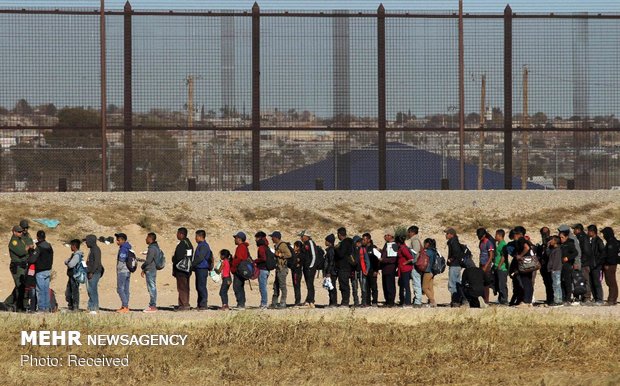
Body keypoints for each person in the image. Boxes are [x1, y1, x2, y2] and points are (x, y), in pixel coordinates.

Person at [5, 225, 31, 312]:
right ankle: (16, 305)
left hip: (22, 265)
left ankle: (8, 302)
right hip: (17, 266)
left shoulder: (21, 240)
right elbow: (20, 252)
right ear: (14, 232)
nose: (21, 233)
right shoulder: (14, 242)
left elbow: (26, 253)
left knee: (20, 286)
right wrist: (27, 248)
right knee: (20, 286)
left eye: (21, 231)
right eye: (19, 232)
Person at [31, 230, 53, 312]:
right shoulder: (49, 246)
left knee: (40, 290)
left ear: (37, 237)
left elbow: (32, 259)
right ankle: (47, 307)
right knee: (46, 289)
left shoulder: (39, 248)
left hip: (40, 271)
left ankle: (41, 308)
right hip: (48, 270)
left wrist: (31, 250)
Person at [172, 227, 194, 311]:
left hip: (181, 270)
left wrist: (174, 259)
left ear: (181, 234)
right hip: (187, 269)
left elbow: (179, 257)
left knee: (182, 287)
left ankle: (183, 305)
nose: (176, 235)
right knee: (185, 286)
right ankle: (184, 304)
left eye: (177, 233)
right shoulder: (189, 244)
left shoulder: (182, 244)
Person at [513, 227, 534, 308]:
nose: (514, 235)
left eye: (515, 234)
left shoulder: (521, 240)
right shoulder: (525, 240)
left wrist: (520, 256)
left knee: (525, 282)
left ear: (519, 234)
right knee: (528, 282)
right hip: (529, 263)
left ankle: (526, 301)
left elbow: (526, 248)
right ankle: (529, 301)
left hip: (525, 264)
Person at [572, 224, 593, 303]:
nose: (573, 231)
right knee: (579, 279)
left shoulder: (583, 238)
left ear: (578, 229)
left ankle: (587, 297)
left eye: (574, 229)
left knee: (585, 279)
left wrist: (582, 261)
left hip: (584, 263)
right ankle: (581, 296)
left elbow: (586, 251)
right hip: (582, 262)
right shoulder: (580, 237)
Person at [270, 231, 291, 309]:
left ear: (276, 237)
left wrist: (279, 255)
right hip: (278, 268)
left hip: (282, 269)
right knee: (276, 286)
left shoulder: (282, 245)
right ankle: (274, 303)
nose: (271, 238)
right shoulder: (277, 245)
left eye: (272, 237)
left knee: (282, 286)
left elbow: (289, 254)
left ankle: (283, 303)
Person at [193, 230, 213, 310]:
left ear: (200, 237)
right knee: (198, 287)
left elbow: (200, 257)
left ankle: (203, 304)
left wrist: (192, 264)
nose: (195, 238)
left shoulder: (204, 246)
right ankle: (200, 304)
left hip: (202, 269)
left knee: (201, 287)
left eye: (196, 236)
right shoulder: (200, 245)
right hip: (199, 268)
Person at [141, 232, 160, 313]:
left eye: (147, 237)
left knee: (151, 288)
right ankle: (152, 305)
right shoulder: (155, 247)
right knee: (152, 287)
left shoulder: (152, 248)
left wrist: (142, 267)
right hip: (152, 269)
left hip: (150, 270)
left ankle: (152, 306)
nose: (146, 239)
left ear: (150, 239)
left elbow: (148, 260)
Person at [299, 230, 319, 308]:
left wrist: (311, 266)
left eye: (302, 236)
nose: (301, 238)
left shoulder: (310, 243)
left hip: (310, 267)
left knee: (310, 284)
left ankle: (311, 301)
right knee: (308, 284)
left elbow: (314, 255)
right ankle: (308, 300)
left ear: (306, 236)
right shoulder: (305, 244)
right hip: (306, 267)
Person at [445, 228, 464, 307]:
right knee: (457, 283)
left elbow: (456, 253)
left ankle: (455, 301)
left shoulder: (453, 242)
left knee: (452, 284)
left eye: (447, 233)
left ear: (451, 234)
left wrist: (450, 259)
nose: (446, 235)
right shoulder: (454, 241)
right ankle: (458, 300)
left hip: (454, 265)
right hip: (457, 265)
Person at [84, 234, 103, 314]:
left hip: (95, 272)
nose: (86, 243)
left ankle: (94, 308)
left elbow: (97, 262)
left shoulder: (96, 250)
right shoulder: (92, 249)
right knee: (90, 289)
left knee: (92, 290)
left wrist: (91, 272)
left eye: (87, 241)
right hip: (91, 271)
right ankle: (91, 306)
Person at [586, 224, 605, 305]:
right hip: (591, 265)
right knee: (591, 282)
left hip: (596, 266)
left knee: (597, 282)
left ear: (593, 232)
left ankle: (600, 299)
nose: (587, 233)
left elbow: (603, 254)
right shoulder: (591, 240)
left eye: (589, 231)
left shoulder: (598, 241)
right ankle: (595, 298)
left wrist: (598, 263)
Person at [335, 227, 353, 307]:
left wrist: (336, 249)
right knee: (344, 284)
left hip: (343, 267)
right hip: (347, 266)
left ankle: (345, 302)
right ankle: (345, 301)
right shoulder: (350, 242)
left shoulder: (344, 243)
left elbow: (341, 254)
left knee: (344, 285)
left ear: (339, 234)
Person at [559, 229, 578, 305]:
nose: (561, 239)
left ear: (566, 237)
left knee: (567, 282)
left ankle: (568, 299)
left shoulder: (570, 243)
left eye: (562, 237)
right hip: (560, 265)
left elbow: (575, 253)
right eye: (560, 237)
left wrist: (568, 257)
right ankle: (563, 298)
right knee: (561, 282)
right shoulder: (560, 244)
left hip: (567, 265)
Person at [114, 232, 132, 313]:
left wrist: (118, 270)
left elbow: (121, 261)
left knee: (120, 289)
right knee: (126, 289)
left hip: (122, 271)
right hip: (128, 271)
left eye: (118, 240)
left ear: (122, 240)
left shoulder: (123, 249)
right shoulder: (128, 247)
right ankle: (125, 307)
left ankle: (125, 306)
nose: (117, 242)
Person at [231, 231, 250, 309]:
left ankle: (240, 304)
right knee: (240, 286)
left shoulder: (240, 247)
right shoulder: (244, 247)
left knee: (237, 286)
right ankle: (241, 303)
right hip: (242, 270)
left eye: (235, 238)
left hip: (239, 270)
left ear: (239, 239)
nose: (234, 240)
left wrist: (233, 265)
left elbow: (239, 258)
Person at [406, 226, 423, 307]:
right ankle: (417, 300)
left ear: (412, 232)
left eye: (408, 232)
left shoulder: (415, 240)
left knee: (416, 283)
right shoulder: (415, 240)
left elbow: (415, 253)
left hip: (415, 265)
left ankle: (418, 301)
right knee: (416, 282)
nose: (408, 234)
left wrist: (412, 261)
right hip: (416, 264)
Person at [477, 228, 495, 304]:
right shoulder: (481, 242)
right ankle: (483, 298)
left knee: (486, 283)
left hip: (486, 265)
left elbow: (491, 256)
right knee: (481, 282)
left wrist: (486, 266)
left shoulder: (489, 243)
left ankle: (486, 300)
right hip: (481, 264)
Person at [379, 230, 398, 307]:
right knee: (385, 285)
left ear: (391, 236)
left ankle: (391, 302)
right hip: (384, 268)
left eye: (387, 235)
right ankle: (387, 301)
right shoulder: (386, 244)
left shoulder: (393, 245)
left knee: (390, 285)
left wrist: (383, 260)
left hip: (390, 268)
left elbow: (393, 259)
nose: (385, 236)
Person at [64, 239, 83, 311]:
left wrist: (68, 262)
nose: (70, 247)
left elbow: (71, 264)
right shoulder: (75, 255)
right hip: (72, 276)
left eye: (71, 245)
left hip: (74, 276)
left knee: (74, 292)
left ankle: (75, 307)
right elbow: (66, 261)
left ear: (74, 246)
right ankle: (71, 305)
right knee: (69, 292)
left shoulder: (77, 256)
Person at [536, 227, 554, 305]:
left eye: (546, 233)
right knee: (547, 283)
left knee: (552, 283)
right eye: (543, 233)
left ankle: (553, 299)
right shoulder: (541, 243)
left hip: (550, 265)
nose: (545, 234)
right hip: (543, 266)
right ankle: (549, 298)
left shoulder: (552, 241)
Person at [601, 227, 618, 306]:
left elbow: (610, 255)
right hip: (612, 264)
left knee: (611, 282)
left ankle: (611, 300)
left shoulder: (611, 243)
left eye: (604, 234)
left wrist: (607, 264)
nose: (603, 235)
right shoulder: (612, 242)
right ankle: (613, 299)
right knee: (611, 282)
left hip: (610, 265)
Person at [254, 231, 271, 309]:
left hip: (263, 269)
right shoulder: (266, 246)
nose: (255, 240)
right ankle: (263, 303)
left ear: (259, 238)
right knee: (263, 287)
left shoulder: (261, 247)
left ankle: (264, 303)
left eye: (256, 238)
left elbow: (263, 258)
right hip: (266, 269)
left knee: (262, 287)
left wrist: (255, 261)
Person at [396, 234, 414, 306]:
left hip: (405, 269)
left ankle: (407, 302)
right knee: (402, 285)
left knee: (406, 286)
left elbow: (410, 258)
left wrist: (404, 263)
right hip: (402, 269)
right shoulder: (401, 248)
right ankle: (403, 300)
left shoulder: (403, 248)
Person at [362, 233, 380, 306]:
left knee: (374, 287)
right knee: (366, 287)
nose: (363, 241)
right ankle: (367, 302)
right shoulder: (363, 248)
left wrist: (376, 270)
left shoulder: (373, 248)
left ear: (369, 240)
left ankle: (375, 301)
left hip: (373, 270)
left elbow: (378, 260)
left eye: (364, 239)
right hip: (365, 271)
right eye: (362, 239)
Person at [353, 236, 370, 307]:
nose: (359, 243)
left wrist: (367, 270)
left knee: (363, 287)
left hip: (362, 271)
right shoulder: (352, 251)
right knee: (354, 288)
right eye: (358, 242)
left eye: (360, 242)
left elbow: (367, 261)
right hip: (353, 272)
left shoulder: (363, 250)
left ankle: (364, 302)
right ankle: (356, 302)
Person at [547, 236, 563, 306]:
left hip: (556, 270)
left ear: (556, 241)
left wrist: (553, 269)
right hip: (554, 269)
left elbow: (556, 261)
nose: (551, 241)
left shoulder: (558, 250)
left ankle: (558, 300)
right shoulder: (553, 249)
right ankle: (558, 299)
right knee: (556, 285)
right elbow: (548, 255)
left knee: (556, 285)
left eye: (552, 240)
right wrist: (547, 247)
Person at [493, 229, 509, 305]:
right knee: (498, 284)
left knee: (502, 284)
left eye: (496, 235)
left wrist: (499, 265)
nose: (495, 236)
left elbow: (504, 256)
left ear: (499, 236)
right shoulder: (498, 244)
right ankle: (500, 299)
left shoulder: (503, 244)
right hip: (497, 266)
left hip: (502, 268)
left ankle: (504, 299)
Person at [422, 238, 437, 307]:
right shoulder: (434, 251)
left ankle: (432, 301)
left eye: (425, 243)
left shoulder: (428, 252)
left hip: (427, 271)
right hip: (432, 271)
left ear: (427, 244)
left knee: (424, 288)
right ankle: (431, 302)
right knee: (430, 287)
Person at [324, 234, 338, 307]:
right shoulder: (330, 250)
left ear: (329, 242)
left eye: (326, 240)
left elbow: (331, 262)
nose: (325, 242)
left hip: (331, 272)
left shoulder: (331, 250)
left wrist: (328, 272)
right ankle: (332, 302)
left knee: (332, 287)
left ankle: (333, 303)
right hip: (331, 271)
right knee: (330, 287)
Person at [291, 241, 305, 306]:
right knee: (296, 286)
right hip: (296, 272)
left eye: (295, 246)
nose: (294, 248)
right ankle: (297, 300)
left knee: (296, 286)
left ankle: (297, 301)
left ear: (298, 247)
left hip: (297, 272)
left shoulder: (300, 255)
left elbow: (296, 263)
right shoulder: (298, 254)